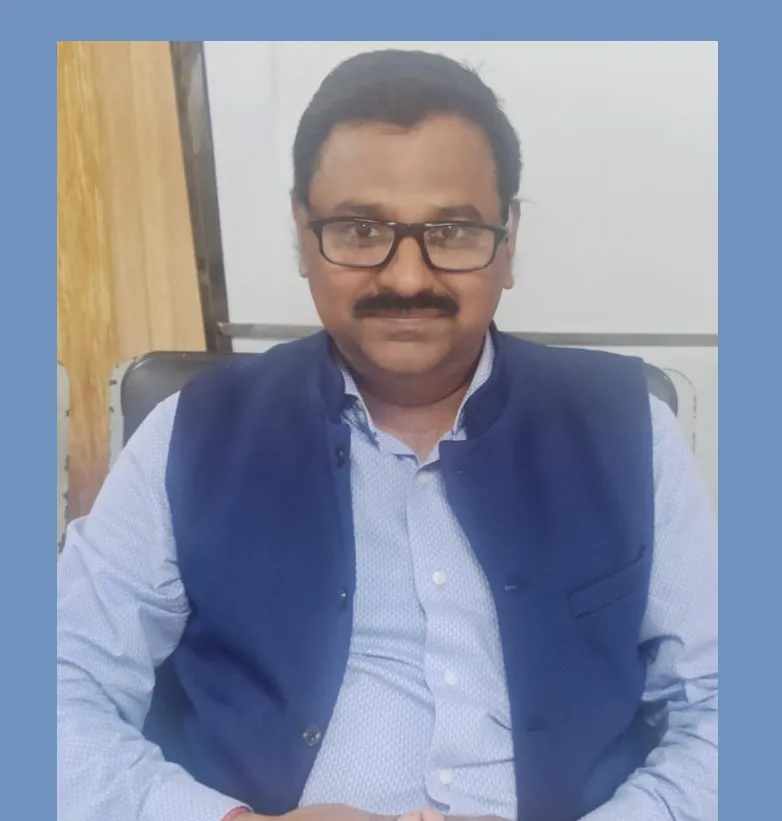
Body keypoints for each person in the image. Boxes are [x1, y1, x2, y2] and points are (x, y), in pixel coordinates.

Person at [57, 49, 718, 821]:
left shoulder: (629, 430)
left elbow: (726, 702)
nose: (407, 277)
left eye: (453, 229)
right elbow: (57, 685)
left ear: (508, 242)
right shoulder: (192, 432)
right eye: (361, 228)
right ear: (302, 235)